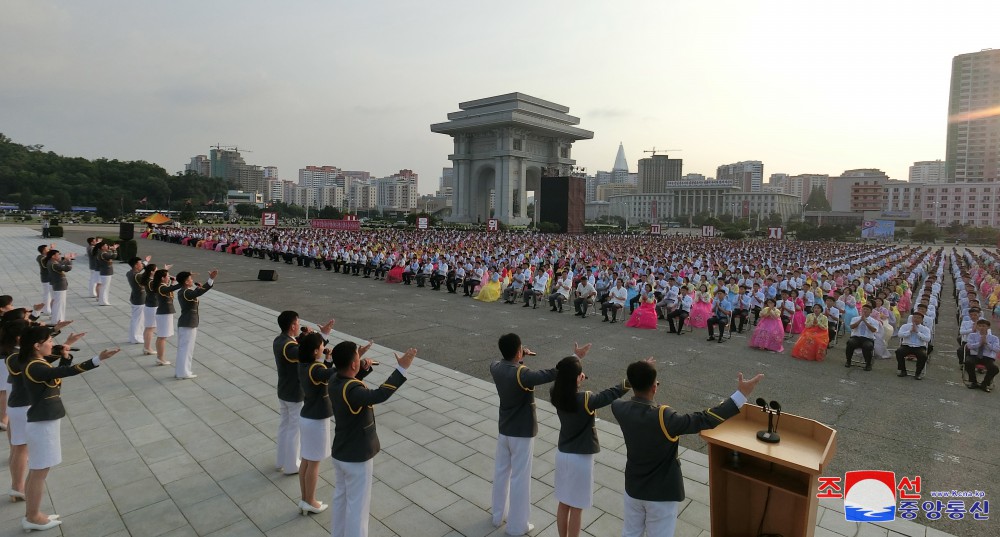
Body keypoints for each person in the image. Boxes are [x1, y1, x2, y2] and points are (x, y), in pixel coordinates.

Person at [612, 360, 763, 537]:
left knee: (630, 532)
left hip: (633, 487)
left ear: (632, 384)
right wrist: (741, 395)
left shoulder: (619, 408)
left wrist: (638, 373)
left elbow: (616, 393)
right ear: (654, 388)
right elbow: (704, 419)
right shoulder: (664, 417)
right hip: (662, 493)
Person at [19, 326, 120, 532]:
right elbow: (65, 371)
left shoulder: (37, 362)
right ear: (37, 346)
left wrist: (65, 353)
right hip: (42, 424)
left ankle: (32, 513)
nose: (51, 344)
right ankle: (33, 516)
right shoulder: (34, 366)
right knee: (39, 472)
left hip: (45, 421)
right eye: (48, 341)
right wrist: (97, 359)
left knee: (38, 471)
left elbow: (57, 375)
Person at [490, 333, 591, 536]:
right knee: (520, 478)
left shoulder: (495, 366)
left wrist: (518, 357)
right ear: (519, 351)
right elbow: (552, 373)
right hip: (522, 432)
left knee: (501, 472)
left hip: (504, 429)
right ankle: (517, 525)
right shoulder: (522, 374)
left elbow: (509, 363)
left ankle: (497, 515)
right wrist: (576, 357)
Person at [329, 341, 416, 537]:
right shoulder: (352, 390)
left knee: (341, 500)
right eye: (357, 358)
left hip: (341, 452)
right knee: (358, 508)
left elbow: (349, 384)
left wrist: (359, 368)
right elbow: (379, 394)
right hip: (357, 456)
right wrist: (401, 368)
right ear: (352, 364)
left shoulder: (334, 379)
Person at [548, 355, 630, 537]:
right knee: (577, 506)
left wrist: (574, 372)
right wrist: (629, 381)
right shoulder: (585, 398)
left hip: (563, 453)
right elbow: (610, 394)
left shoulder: (556, 392)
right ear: (578, 377)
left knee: (564, 502)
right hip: (581, 457)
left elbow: (565, 374)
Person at [295, 333, 373, 516]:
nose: (324, 348)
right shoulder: (315, 368)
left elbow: (326, 373)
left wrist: (342, 358)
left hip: (307, 416)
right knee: (313, 463)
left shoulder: (304, 365)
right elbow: (338, 372)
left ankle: (305, 499)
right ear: (315, 351)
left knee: (306, 461)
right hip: (316, 420)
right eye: (322, 346)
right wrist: (354, 359)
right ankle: (310, 500)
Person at [273, 311, 335, 476]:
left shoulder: (280, 340)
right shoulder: (289, 346)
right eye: (298, 322)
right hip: (294, 392)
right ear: (293, 325)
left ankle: (281, 461)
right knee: (294, 429)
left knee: (285, 426)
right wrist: (321, 336)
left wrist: (315, 336)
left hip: (284, 390)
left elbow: (301, 346)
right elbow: (306, 353)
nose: (300, 325)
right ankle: (292, 464)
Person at [174, 269, 218, 379]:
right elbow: (198, 292)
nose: (192, 280)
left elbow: (196, 292)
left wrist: (201, 285)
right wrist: (210, 280)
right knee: (186, 349)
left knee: (184, 348)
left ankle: (181, 371)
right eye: (189, 279)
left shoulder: (185, 291)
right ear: (185, 282)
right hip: (188, 322)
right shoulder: (185, 292)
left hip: (187, 322)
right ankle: (183, 372)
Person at [153, 269, 183, 366]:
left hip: (164, 313)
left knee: (162, 337)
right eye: (167, 276)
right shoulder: (161, 287)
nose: (169, 277)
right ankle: (160, 358)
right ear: (162, 278)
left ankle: (160, 357)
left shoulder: (162, 286)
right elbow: (168, 290)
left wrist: (172, 283)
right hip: (164, 314)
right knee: (162, 337)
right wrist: (182, 282)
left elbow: (168, 289)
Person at [965, 319, 999, 392]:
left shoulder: (994, 338)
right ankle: (973, 381)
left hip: (987, 357)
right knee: (968, 362)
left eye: (984, 326)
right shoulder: (972, 335)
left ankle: (985, 384)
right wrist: (979, 344)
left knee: (994, 368)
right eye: (979, 326)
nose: (982, 328)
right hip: (975, 355)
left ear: (988, 327)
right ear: (977, 327)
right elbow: (969, 346)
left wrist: (987, 343)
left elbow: (997, 349)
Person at [895, 311, 932, 379]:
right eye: (914, 317)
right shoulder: (905, 326)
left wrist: (917, 332)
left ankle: (918, 373)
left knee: (923, 355)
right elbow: (900, 335)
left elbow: (927, 339)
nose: (916, 319)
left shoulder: (925, 329)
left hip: (919, 347)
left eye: (918, 318)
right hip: (907, 345)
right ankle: (903, 370)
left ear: (922, 320)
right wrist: (910, 331)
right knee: (898, 352)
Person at [845, 304, 880, 371]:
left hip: (868, 338)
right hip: (856, 337)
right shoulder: (855, 318)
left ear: (870, 312)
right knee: (850, 343)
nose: (865, 311)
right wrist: (860, 320)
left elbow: (874, 330)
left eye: (867, 309)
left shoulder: (874, 321)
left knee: (868, 346)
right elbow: (852, 327)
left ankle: (868, 364)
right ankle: (848, 361)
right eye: (864, 309)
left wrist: (865, 321)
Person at [125, 256, 151, 345]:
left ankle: (132, 336)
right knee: (138, 320)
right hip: (140, 299)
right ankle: (136, 337)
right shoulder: (137, 275)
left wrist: (146, 262)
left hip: (135, 298)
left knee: (135, 319)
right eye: (140, 263)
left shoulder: (130, 273)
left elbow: (141, 269)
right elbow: (148, 278)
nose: (141, 265)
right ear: (136, 265)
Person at [46, 250, 75, 325]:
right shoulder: (53, 264)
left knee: (59, 303)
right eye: (57, 255)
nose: (59, 256)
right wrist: (69, 260)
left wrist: (66, 259)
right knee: (59, 303)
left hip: (58, 284)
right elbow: (67, 268)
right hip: (59, 284)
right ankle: (57, 320)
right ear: (53, 256)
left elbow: (61, 264)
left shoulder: (52, 262)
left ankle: (58, 319)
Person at [95, 241, 119, 306]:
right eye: (106, 245)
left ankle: (103, 300)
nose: (107, 246)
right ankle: (103, 301)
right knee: (104, 287)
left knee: (105, 287)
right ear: (102, 247)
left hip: (105, 271)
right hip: (106, 272)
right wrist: (115, 250)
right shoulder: (103, 254)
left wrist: (111, 249)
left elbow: (109, 254)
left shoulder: (102, 252)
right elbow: (114, 256)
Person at [35, 244, 53, 317]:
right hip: (46, 278)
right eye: (47, 249)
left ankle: (46, 309)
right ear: (43, 251)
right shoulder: (42, 258)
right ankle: (46, 310)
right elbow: (45, 265)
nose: (48, 250)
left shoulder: (42, 257)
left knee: (47, 294)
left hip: (46, 278)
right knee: (47, 295)